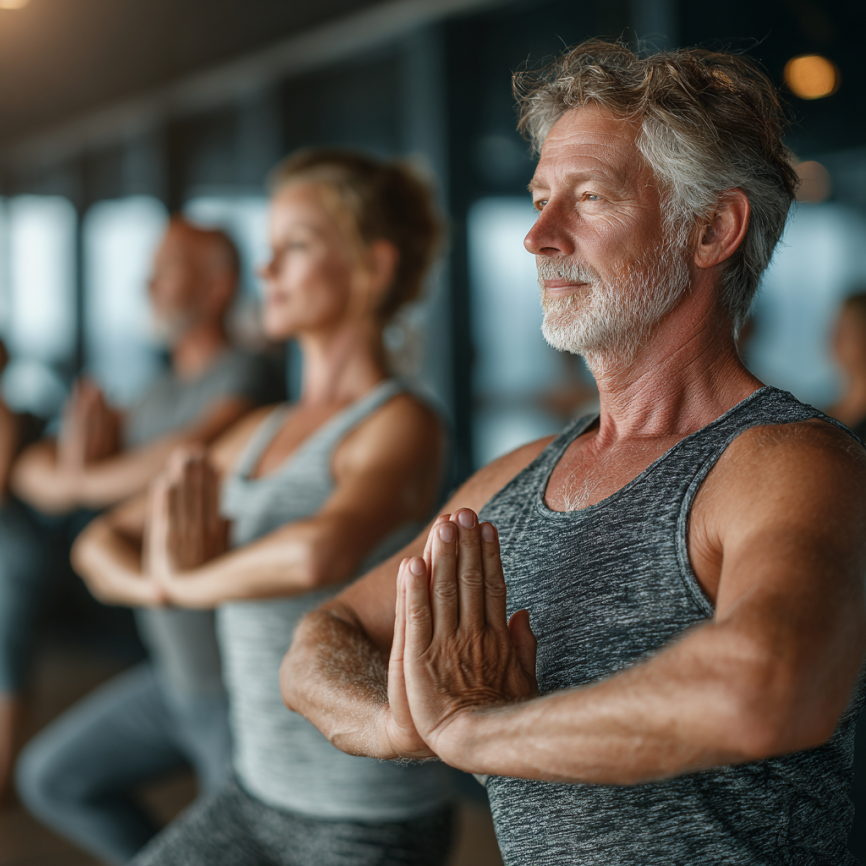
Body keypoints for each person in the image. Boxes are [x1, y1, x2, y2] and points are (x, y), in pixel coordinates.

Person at [281, 41, 866, 865]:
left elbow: (767, 690)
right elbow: (321, 637)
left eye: (588, 198)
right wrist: (402, 724)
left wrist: (477, 733)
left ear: (711, 229)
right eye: (539, 197)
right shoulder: (515, 479)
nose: (537, 237)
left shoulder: (786, 464)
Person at [72, 149, 455, 866]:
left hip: (363, 814)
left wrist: (189, 584)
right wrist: (158, 583)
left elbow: (319, 551)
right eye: (269, 249)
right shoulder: (255, 433)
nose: (266, 270)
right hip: (252, 792)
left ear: (372, 268)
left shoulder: (399, 421)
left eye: (295, 247)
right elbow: (98, 540)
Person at [13, 218, 282, 863]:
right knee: (54, 777)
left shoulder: (247, 375)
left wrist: (82, 479)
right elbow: (30, 472)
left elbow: (185, 457)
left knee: (246, 851)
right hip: (172, 678)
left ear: (216, 286)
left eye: (166, 269)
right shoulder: (158, 390)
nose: (147, 284)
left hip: (232, 683)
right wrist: (85, 477)